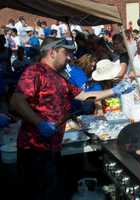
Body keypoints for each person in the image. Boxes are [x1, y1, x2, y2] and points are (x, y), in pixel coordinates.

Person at [10, 37, 133, 200]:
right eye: (65, 52)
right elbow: (16, 100)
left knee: (51, 189)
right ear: (52, 52)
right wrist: (40, 123)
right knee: (37, 193)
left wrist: (115, 91)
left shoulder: (59, 77)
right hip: (34, 147)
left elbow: (84, 95)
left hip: (52, 146)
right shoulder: (35, 71)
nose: (68, 57)